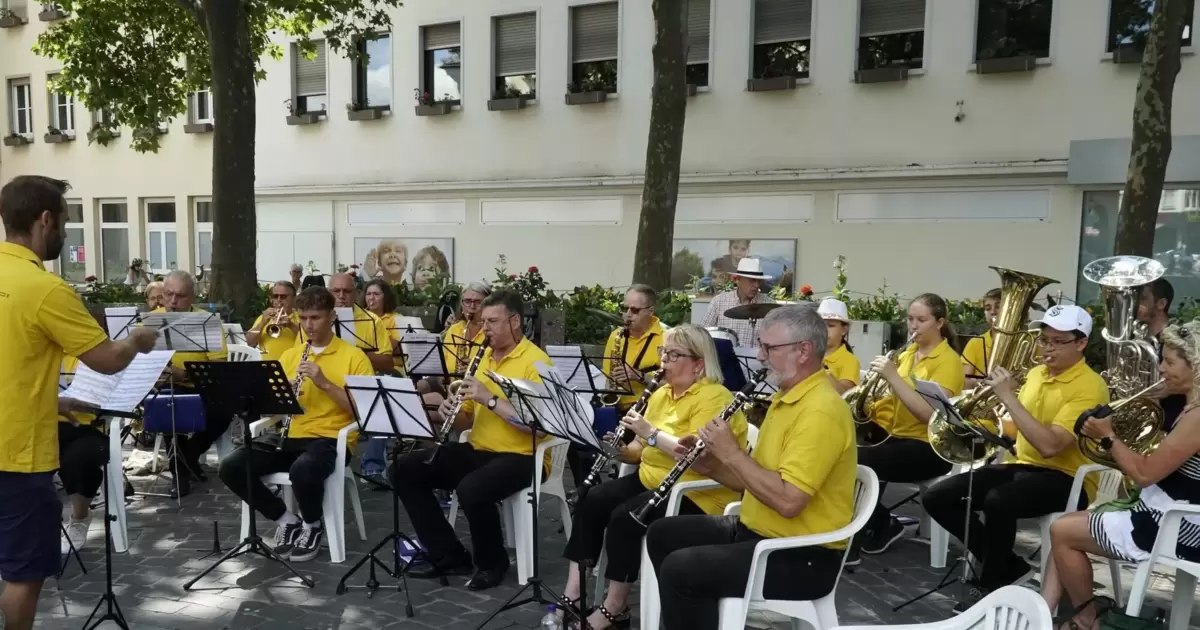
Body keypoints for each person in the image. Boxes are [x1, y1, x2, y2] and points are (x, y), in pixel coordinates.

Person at [0, 175, 157, 630]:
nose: (65, 234)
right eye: (65, 222)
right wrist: (136, 341)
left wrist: (53, 403)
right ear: (44, 219)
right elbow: (107, 360)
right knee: (22, 574)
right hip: (17, 456)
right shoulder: (45, 288)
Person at [645, 304, 856, 630]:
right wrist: (709, 464)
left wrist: (731, 452)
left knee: (682, 570)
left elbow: (788, 501)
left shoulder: (821, 412)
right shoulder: (786, 399)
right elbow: (751, 482)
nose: (759, 356)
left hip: (804, 555)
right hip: (758, 529)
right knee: (662, 533)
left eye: (768, 348)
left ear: (803, 351)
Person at [922, 304, 1109, 610]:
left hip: (1067, 479)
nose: (1047, 348)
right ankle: (1008, 565)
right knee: (938, 496)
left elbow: (1050, 445)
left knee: (999, 500)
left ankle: (993, 583)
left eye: (1057, 341)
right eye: (1044, 339)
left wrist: (1008, 395)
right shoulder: (1036, 374)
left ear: (1081, 343)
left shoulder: (1090, 387)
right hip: (1021, 466)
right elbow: (1015, 427)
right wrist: (975, 423)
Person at [560, 325, 748, 630]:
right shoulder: (661, 394)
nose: (664, 362)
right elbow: (638, 450)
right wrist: (620, 450)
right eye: (664, 352)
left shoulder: (714, 397)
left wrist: (651, 433)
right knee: (593, 498)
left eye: (674, 355)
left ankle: (616, 608)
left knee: (625, 518)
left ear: (699, 363)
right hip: (652, 479)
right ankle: (575, 593)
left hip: (694, 492)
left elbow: (698, 457)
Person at [1041, 322, 1200, 630]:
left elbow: (1143, 473)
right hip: (1173, 512)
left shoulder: (1196, 417)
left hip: (1179, 526)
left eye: (1169, 362)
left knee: (1062, 530)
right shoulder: (1189, 406)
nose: (1162, 369)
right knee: (1067, 527)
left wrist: (1110, 436)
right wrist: (1155, 398)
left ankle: (1087, 621)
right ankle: (1049, 613)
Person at [391, 290, 553, 590]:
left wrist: (490, 400)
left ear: (515, 321)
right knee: (405, 468)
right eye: (484, 321)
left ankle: (493, 563)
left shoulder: (536, 362)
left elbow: (539, 428)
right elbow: (466, 419)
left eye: (493, 321)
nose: (485, 328)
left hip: (525, 455)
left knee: (472, 489)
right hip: (480, 448)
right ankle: (448, 555)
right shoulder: (484, 356)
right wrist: (443, 412)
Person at [218, 286, 374, 562]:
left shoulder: (354, 357)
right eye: (303, 318)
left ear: (332, 317)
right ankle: (286, 520)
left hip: (328, 440)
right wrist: (280, 395)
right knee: (231, 466)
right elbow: (268, 410)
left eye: (315, 318)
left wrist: (324, 383)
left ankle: (312, 525)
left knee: (303, 469)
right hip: (287, 436)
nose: (308, 325)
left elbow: (365, 411)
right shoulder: (291, 355)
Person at [848, 293, 964, 564]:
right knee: (840, 448)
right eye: (910, 319)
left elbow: (930, 416)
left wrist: (892, 377)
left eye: (922, 320)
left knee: (857, 460)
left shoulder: (948, 362)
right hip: (896, 436)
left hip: (930, 447)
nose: (914, 326)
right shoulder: (907, 354)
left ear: (939, 323)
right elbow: (891, 399)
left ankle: (879, 525)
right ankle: (874, 523)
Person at [154, 269, 229, 498]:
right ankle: (181, 474)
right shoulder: (152, 321)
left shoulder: (207, 322)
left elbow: (219, 369)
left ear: (192, 298)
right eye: (168, 295)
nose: (173, 301)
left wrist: (184, 374)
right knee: (168, 404)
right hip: (167, 389)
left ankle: (186, 457)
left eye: (180, 296)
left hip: (201, 388)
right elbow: (136, 358)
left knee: (225, 410)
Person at [57, 355, 109, 554]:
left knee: (78, 460)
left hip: (89, 429)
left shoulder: (90, 356)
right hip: (40, 426)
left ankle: (79, 518)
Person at [359, 278, 403, 487]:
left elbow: (396, 348)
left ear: (386, 297)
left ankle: (374, 465)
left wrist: (379, 329)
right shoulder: (357, 321)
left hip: (393, 371)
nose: (371, 298)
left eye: (376, 294)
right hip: (365, 371)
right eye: (368, 294)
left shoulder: (394, 320)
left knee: (381, 401)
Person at [308, 273, 394, 375]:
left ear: (356, 294)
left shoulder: (373, 321)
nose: (341, 296)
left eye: (347, 291)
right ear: (327, 293)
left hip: (359, 379)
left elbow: (388, 363)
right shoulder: (313, 319)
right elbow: (301, 353)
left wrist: (357, 353)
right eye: (336, 291)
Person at [1138, 277, 1186, 428]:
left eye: (1143, 299)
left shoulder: (1180, 338)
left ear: (1161, 304)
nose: (1135, 305)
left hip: (1171, 423)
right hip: (1140, 422)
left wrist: (1172, 387)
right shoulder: (1135, 336)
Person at [699, 258, 776, 349]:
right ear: (738, 279)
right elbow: (702, 334)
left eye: (759, 281)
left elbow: (775, 341)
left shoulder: (769, 305)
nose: (756, 285)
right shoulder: (719, 302)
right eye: (752, 280)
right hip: (724, 361)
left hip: (757, 361)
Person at [246, 281, 300, 361]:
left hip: (292, 366)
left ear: (294, 298)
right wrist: (262, 323)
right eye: (275, 296)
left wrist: (291, 325)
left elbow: (308, 340)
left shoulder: (302, 317)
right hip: (268, 367)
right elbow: (250, 342)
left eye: (283, 296)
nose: (279, 300)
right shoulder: (263, 317)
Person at [817, 298, 859, 394]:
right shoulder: (809, 355)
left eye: (830, 325)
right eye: (820, 325)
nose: (824, 330)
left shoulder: (850, 361)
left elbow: (844, 394)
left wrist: (820, 368)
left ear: (844, 330)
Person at [963, 288, 1002, 388]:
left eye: (998, 307)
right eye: (988, 308)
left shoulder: (1025, 342)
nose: (992, 312)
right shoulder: (976, 343)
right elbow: (963, 381)